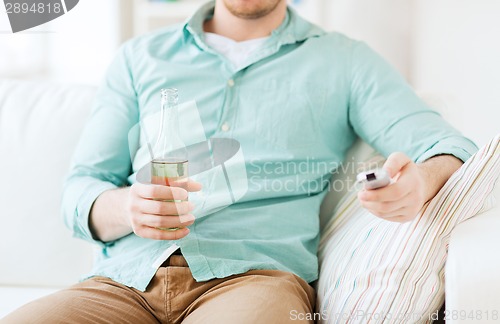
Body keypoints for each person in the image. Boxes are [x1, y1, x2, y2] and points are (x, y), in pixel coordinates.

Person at [2, 0, 477, 323]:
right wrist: (127, 208)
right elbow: (80, 189)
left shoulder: (345, 61)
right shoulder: (140, 58)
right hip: (123, 282)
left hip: (255, 281)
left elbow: (450, 146)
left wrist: (420, 183)